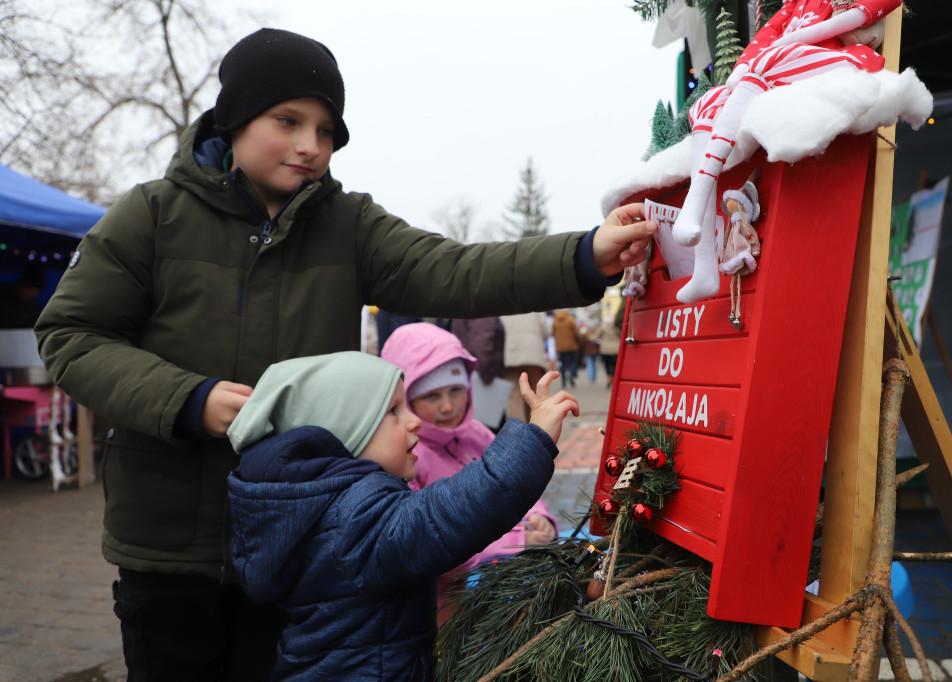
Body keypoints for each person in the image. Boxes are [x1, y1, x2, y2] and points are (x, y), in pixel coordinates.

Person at [33, 27, 656, 680]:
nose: (311, 146)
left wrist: (583, 255)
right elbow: (73, 336)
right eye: (289, 120)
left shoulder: (347, 223)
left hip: (307, 539)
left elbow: (456, 269)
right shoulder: (151, 216)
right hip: (170, 544)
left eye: (327, 131)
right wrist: (187, 400)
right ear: (236, 117)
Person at [225, 351, 578, 680]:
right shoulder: (355, 519)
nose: (414, 423)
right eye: (394, 410)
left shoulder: (326, 507)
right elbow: (447, 516)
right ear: (346, 431)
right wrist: (534, 438)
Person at [670, 0, 900, 304]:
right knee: (706, 103)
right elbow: (768, 31)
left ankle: (694, 198)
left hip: (841, 59)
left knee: (766, 63)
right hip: (781, 63)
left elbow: (858, 15)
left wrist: (786, 43)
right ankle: (704, 269)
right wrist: (742, 66)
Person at [380, 322, 556, 625]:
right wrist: (518, 539)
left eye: (455, 390)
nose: (448, 406)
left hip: (503, 591)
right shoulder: (407, 457)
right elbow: (432, 542)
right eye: (431, 396)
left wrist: (539, 515)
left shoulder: (477, 432)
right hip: (445, 611)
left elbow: (514, 482)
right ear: (405, 399)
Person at [499, 311, 550, 423]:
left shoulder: (502, 300)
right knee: (534, 398)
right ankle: (536, 431)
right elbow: (546, 331)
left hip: (510, 355)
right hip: (533, 355)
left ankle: (518, 435)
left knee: (514, 398)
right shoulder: (534, 301)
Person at [0, 263, 45, 329]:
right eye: (29, 289)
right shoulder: (3, 300)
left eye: (35, 291)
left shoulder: (33, 307)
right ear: (19, 286)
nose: (31, 294)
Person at [551, 309, 580, 388]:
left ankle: (563, 381)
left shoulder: (555, 321)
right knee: (573, 361)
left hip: (560, 347)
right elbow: (576, 333)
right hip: (571, 346)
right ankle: (571, 375)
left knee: (562, 363)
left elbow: (553, 333)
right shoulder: (570, 319)